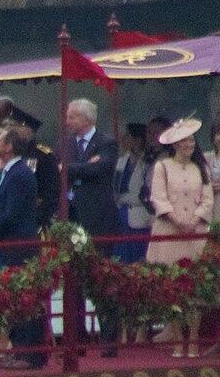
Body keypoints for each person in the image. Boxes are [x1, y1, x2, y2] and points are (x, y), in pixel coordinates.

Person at [0, 125, 46, 369]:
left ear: (8, 147)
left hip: (20, 245)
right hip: (11, 244)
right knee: (17, 299)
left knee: (25, 299)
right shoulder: (10, 172)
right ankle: (20, 349)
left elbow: (12, 213)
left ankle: (29, 353)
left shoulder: (19, 174)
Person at [147, 118, 211, 267]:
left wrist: (194, 221)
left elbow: (207, 199)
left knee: (197, 272)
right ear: (175, 144)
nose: (189, 145)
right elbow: (159, 198)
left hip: (196, 231)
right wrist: (178, 221)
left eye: (191, 141)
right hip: (169, 230)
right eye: (185, 141)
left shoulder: (201, 167)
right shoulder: (162, 166)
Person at [0, 97, 59, 228]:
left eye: (14, 128)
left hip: (34, 222)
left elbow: (51, 194)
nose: (10, 132)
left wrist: (37, 219)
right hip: (7, 219)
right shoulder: (8, 154)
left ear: (26, 130)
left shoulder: (43, 155)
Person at [65, 98, 120, 241]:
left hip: (97, 214)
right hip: (69, 213)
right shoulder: (64, 143)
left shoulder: (107, 142)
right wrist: (86, 165)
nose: (67, 122)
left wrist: (68, 168)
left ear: (87, 119)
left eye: (72, 117)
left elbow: (98, 170)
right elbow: (56, 170)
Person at [114, 122, 155, 266]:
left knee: (139, 255)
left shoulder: (147, 162)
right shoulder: (121, 161)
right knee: (121, 256)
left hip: (139, 214)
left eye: (128, 136)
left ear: (137, 139)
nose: (123, 139)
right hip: (121, 214)